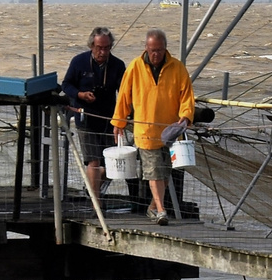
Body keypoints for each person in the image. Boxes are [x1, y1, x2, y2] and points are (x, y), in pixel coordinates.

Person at [110, 28, 195, 224]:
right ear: (146, 48)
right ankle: (161, 211)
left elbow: (187, 96)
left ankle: (152, 207)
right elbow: (124, 96)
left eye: (159, 50)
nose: (156, 54)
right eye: (152, 50)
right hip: (145, 130)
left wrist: (186, 116)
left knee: (165, 172)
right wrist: (118, 122)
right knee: (154, 171)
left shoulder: (178, 67)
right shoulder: (135, 67)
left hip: (171, 131)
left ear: (165, 48)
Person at [61, 26, 122, 197]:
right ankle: (96, 202)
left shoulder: (117, 65)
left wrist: (125, 114)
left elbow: (125, 92)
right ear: (91, 46)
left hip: (109, 118)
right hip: (85, 116)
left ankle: (90, 189)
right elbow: (66, 85)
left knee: (113, 162)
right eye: (99, 48)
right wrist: (80, 94)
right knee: (93, 160)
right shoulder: (79, 62)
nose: (103, 52)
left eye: (107, 48)